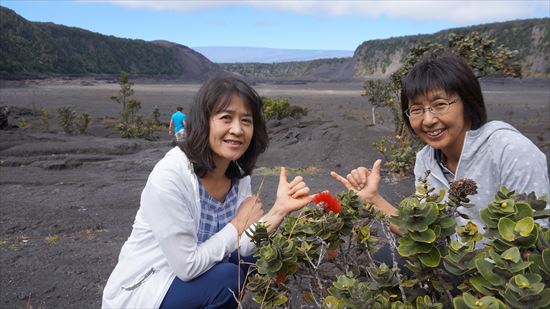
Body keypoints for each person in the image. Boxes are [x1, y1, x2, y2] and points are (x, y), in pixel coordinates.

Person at [102, 75, 313, 308]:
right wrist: (238, 223)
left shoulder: (239, 175)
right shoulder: (171, 176)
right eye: (226, 118)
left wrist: (278, 210)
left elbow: (241, 247)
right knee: (228, 277)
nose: (237, 129)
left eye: (246, 120)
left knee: (251, 260)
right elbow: (188, 266)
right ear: (204, 121)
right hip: (148, 289)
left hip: (190, 277)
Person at [331, 51, 549, 235]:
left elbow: (537, 238)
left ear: (467, 101)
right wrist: (373, 199)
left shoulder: (510, 150)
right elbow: (425, 233)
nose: (428, 120)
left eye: (440, 104)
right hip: (451, 278)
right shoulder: (425, 160)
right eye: (416, 110)